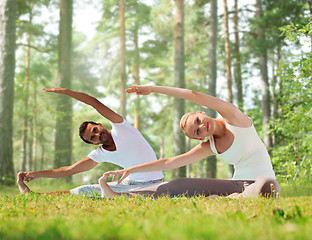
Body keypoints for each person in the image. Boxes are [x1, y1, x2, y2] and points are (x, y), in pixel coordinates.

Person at [101, 85, 280, 198]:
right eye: (197, 132)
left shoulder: (234, 118)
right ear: (200, 138)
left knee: (268, 185)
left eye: (197, 121)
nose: (201, 126)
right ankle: (118, 196)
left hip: (263, 182)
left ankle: (230, 199)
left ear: (201, 113)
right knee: (179, 184)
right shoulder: (210, 145)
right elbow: (169, 162)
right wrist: (130, 170)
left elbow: (192, 94)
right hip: (237, 184)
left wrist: (152, 89)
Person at [17, 87, 163, 196]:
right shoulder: (100, 153)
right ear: (93, 143)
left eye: (95, 130)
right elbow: (69, 170)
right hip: (129, 185)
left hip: (155, 183)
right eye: (93, 138)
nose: (97, 134)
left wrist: (66, 92)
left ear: (100, 125)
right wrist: (36, 173)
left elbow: (95, 103)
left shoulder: (121, 127)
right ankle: (35, 196)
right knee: (82, 190)